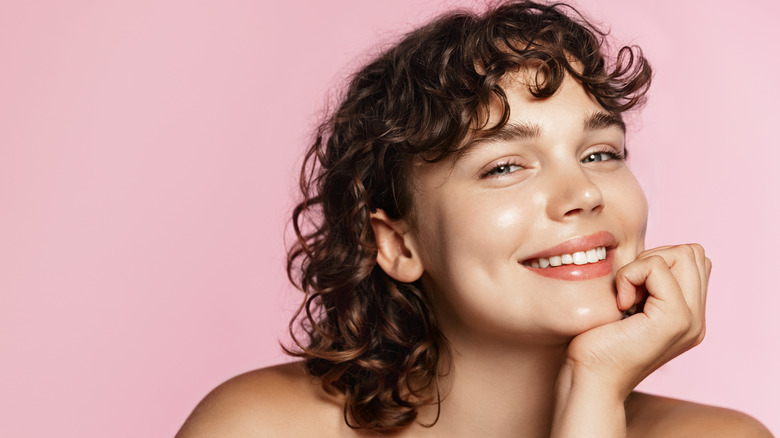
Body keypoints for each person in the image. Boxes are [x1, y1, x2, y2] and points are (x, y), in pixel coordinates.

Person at [176, 1, 772, 436]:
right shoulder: (259, 427)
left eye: (600, 154)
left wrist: (594, 393)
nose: (584, 193)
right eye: (506, 166)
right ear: (398, 243)